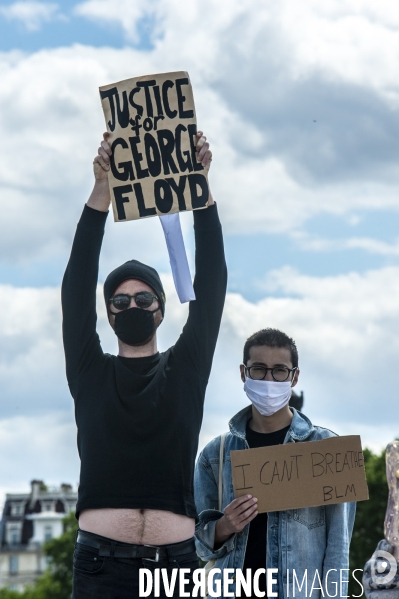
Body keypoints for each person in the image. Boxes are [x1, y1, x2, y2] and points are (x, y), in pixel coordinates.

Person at [61, 130, 227, 598]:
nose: (131, 305)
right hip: (99, 567)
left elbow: (211, 286)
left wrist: (201, 193)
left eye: (143, 297)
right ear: (108, 312)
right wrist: (100, 195)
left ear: (161, 306)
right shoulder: (90, 373)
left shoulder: (186, 368)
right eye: (119, 299)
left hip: (175, 570)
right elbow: (75, 292)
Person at [194, 328, 356, 599]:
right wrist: (224, 526)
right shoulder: (215, 454)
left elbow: (338, 550)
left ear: (294, 377)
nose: (269, 379)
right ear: (243, 373)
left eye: (279, 370)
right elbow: (200, 546)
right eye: (259, 369)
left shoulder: (327, 450)